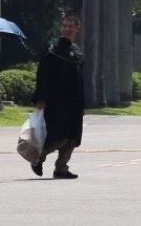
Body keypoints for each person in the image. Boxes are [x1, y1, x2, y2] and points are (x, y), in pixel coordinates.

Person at [31, 13, 86, 179]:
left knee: (73, 138)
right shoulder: (52, 48)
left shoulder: (77, 51)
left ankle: (61, 168)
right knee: (59, 136)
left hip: (74, 102)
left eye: (71, 26)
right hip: (56, 99)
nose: (68, 29)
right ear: (61, 28)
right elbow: (43, 74)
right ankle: (38, 158)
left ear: (77, 28)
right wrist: (40, 97)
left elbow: (80, 81)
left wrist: (83, 104)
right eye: (65, 26)